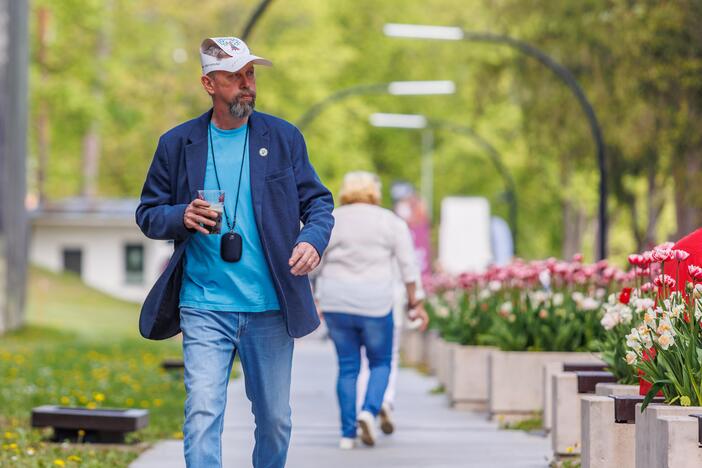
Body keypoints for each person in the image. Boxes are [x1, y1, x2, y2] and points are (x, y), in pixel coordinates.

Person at [135, 36, 334, 468]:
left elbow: (318, 203)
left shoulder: (283, 138)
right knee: (203, 413)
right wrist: (181, 216)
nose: (247, 85)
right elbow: (148, 213)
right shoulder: (176, 144)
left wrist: (311, 240)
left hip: (269, 306)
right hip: (204, 303)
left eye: (250, 74)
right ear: (208, 83)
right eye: (234, 76)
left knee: (275, 420)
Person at [313, 171, 429, 449]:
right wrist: (416, 304)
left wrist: (314, 298)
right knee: (380, 362)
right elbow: (408, 267)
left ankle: (346, 434)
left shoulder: (332, 219)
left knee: (347, 366)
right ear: (375, 193)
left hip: (336, 301)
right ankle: (369, 409)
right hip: (375, 301)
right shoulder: (389, 221)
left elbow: (314, 262)